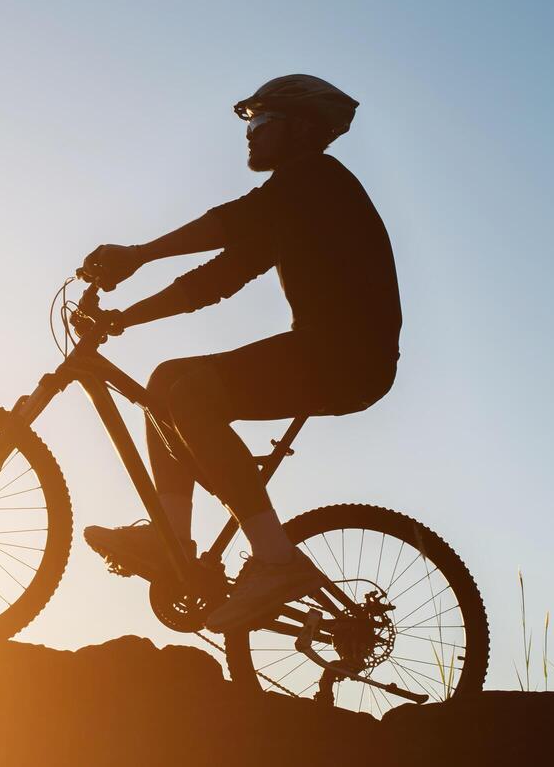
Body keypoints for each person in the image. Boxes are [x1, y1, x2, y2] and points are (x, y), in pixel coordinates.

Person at [79, 73, 402, 631]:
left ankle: (277, 559)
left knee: (194, 395)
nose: (249, 134)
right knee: (164, 381)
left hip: (346, 357)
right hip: (326, 352)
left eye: (262, 122)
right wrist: (124, 319)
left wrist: (139, 254)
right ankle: (170, 538)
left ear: (300, 131)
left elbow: (227, 224)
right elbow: (215, 281)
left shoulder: (315, 179)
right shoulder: (290, 206)